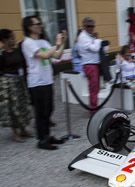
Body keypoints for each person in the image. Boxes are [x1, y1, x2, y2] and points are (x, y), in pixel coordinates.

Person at [21, 15, 67, 150]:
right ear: (29, 27)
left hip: (47, 81)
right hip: (37, 83)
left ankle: (47, 135)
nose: (40, 25)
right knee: (41, 112)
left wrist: (63, 42)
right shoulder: (28, 43)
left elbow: (57, 55)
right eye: (37, 23)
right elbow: (44, 55)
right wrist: (57, 44)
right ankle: (42, 140)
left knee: (48, 110)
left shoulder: (43, 42)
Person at [0, 29, 33, 143]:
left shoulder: (17, 51)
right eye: (11, 38)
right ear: (5, 40)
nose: (14, 40)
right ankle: (15, 132)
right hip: (8, 84)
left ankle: (23, 129)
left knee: (22, 105)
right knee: (12, 108)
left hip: (19, 81)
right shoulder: (1, 54)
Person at [78, 17, 108, 113]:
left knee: (96, 88)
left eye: (92, 26)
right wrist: (98, 40)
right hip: (90, 65)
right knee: (93, 88)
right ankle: (93, 110)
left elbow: (104, 48)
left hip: (95, 64)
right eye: (88, 26)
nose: (91, 28)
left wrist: (97, 39)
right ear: (84, 26)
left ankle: (94, 107)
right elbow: (94, 48)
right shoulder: (83, 37)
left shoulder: (90, 36)